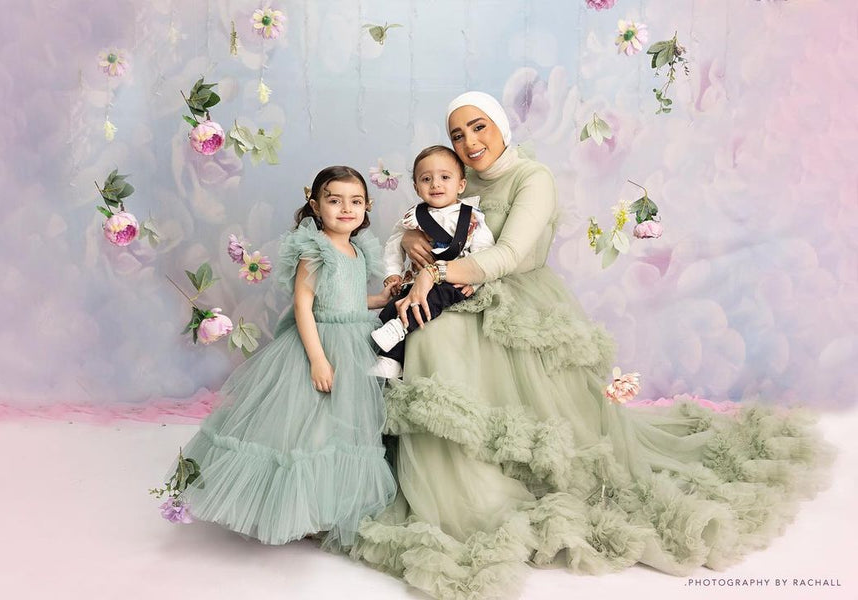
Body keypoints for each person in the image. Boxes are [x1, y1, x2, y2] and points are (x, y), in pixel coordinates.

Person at [349, 93, 832, 599]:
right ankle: (444, 481)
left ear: (501, 127)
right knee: (425, 332)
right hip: (457, 289)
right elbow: (427, 219)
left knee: (436, 333)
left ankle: (482, 490)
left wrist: (435, 271)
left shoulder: (533, 178)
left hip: (515, 295)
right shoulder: (451, 177)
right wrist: (411, 241)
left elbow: (509, 254)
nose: (469, 142)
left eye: (479, 127)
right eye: (457, 134)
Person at [170, 166, 397, 547]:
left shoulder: (359, 251)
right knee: (305, 429)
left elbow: (345, 297)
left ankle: (325, 504)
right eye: (335, 200)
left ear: (367, 206)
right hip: (318, 343)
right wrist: (318, 359)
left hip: (353, 343)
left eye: (355, 201)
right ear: (316, 206)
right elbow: (304, 306)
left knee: (339, 428)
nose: (346, 209)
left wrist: (377, 300)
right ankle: (294, 509)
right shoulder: (315, 250)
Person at [370, 145, 495, 379]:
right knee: (392, 307)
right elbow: (394, 245)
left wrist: (475, 281)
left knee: (432, 298)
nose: (435, 184)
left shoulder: (471, 217)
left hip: (453, 280)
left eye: (445, 177)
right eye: (426, 179)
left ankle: (400, 327)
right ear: (416, 188)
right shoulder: (413, 217)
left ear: (461, 185)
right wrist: (393, 273)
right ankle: (390, 360)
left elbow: (484, 252)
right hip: (417, 281)